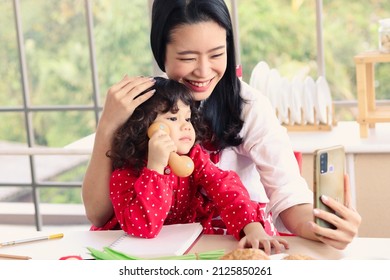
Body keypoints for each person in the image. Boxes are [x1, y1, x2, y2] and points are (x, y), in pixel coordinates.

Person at [82, 0, 361, 251]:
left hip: (225, 243)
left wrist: (320, 227)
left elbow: (286, 191)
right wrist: (107, 125)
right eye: (187, 58)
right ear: (161, 54)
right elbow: (98, 213)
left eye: (216, 54)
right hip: (144, 247)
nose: (203, 72)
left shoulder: (249, 106)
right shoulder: (141, 105)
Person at [103, 77, 288, 254]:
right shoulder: (125, 173)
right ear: (145, 128)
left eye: (188, 118)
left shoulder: (193, 156)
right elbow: (143, 228)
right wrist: (155, 168)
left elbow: (224, 186)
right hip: (139, 254)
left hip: (186, 245)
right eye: (173, 119)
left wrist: (252, 228)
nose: (186, 126)